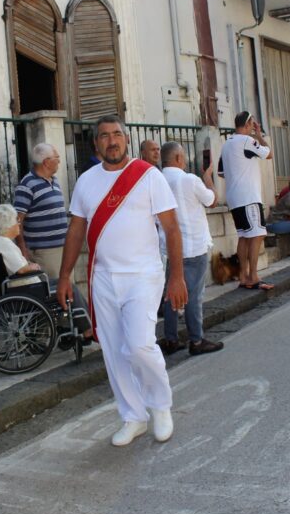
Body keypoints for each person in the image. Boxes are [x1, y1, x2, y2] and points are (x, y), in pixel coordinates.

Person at [56, 115, 186, 447]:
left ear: (125, 140)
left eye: (117, 135)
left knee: (140, 345)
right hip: (103, 278)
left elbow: (171, 228)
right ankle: (133, 416)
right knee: (113, 351)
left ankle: (160, 406)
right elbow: (75, 230)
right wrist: (64, 276)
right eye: (104, 136)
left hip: (143, 275)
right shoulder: (86, 181)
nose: (111, 141)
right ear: (96, 143)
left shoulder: (148, 176)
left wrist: (177, 277)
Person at [158, 142, 223, 356]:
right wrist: (208, 179)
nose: (185, 161)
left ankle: (171, 339)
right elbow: (213, 201)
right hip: (193, 246)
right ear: (178, 158)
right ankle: (196, 340)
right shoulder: (189, 180)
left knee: (171, 295)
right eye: (183, 156)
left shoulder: (155, 181)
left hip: (170, 247)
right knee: (194, 295)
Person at [221, 111, 274, 291]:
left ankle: (243, 276)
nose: (253, 126)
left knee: (244, 236)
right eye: (252, 124)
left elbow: (221, 173)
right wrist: (259, 135)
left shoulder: (227, 144)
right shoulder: (246, 141)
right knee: (257, 234)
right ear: (248, 124)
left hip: (234, 197)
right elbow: (268, 154)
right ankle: (253, 275)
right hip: (248, 196)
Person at [13, 143, 72, 285]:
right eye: (57, 157)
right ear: (46, 162)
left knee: (67, 290)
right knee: (55, 292)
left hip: (62, 248)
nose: (59, 160)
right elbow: (17, 221)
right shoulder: (27, 185)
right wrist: (23, 249)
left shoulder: (55, 181)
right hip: (45, 253)